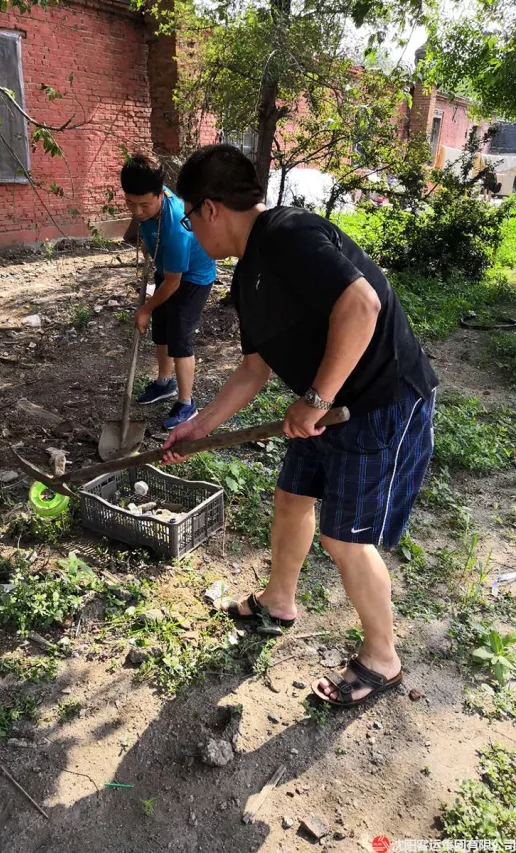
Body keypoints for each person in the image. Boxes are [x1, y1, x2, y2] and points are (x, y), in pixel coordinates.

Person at [163, 144, 438, 708]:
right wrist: (198, 426)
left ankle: (382, 658)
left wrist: (315, 398)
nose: (191, 232)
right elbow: (255, 369)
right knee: (291, 499)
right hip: (326, 404)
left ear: (210, 208)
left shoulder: (290, 234)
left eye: (189, 219)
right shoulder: (248, 273)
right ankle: (279, 601)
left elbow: (362, 305)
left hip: (379, 400)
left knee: (345, 538)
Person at [120, 155, 217, 429]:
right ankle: (165, 383)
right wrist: (147, 245)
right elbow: (148, 231)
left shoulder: (176, 227)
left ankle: (187, 404)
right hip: (169, 269)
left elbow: (174, 283)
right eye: (131, 203)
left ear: (160, 195)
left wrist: (145, 309)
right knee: (161, 329)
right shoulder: (149, 198)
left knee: (179, 337)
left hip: (193, 277)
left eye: (144, 205)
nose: (137, 211)